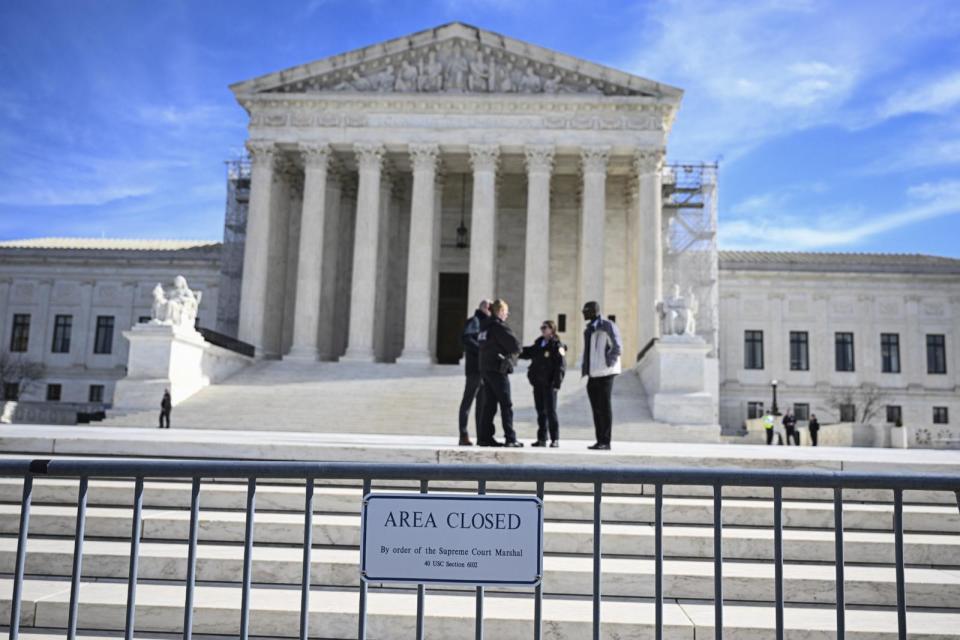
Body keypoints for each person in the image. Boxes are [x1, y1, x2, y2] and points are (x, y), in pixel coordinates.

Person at [478, 299, 523, 447]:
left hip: (486, 369)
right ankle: (510, 438)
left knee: (489, 405)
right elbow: (516, 345)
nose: (507, 315)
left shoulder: (484, 326)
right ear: (500, 312)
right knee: (506, 404)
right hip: (498, 369)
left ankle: (485, 437)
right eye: (506, 312)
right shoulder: (498, 326)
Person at [581, 301, 621, 450]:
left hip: (605, 373)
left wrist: (608, 363)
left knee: (604, 407)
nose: (583, 313)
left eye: (585, 310)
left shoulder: (607, 325)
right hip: (593, 374)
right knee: (596, 408)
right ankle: (600, 440)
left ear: (593, 311)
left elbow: (617, 346)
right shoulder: (588, 329)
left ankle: (606, 441)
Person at [519, 320, 566, 447]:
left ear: (552, 329)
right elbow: (528, 352)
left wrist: (557, 384)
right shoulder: (539, 343)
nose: (543, 330)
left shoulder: (557, 345)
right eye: (541, 328)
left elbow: (561, 366)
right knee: (540, 412)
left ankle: (555, 439)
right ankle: (542, 439)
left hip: (550, 384)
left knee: (551, 412)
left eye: (545, 327)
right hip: (538, 383)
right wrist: (515, 350)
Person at [458, 299, 491, 446]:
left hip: (484, 369)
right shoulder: (475, 321)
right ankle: (463, 434)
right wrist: (482, 351)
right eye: (491, 308)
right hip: (475, 369)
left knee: (482, 405)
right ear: (485, 308)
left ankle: (481, 436)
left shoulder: (486, 323)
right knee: (468, 402)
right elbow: (466, 338)